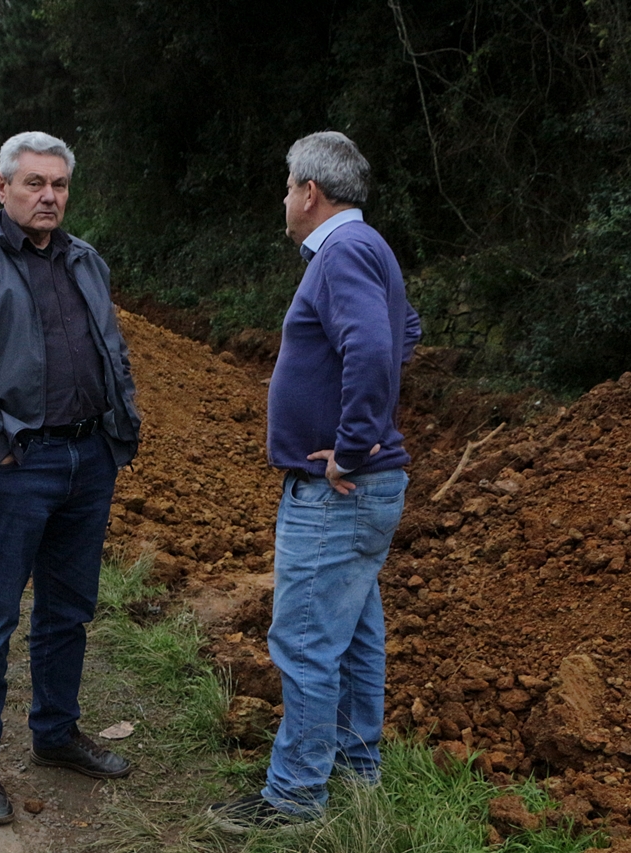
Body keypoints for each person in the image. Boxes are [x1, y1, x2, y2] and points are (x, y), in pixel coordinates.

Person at [0, 131, 141, 826]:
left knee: (69, 610)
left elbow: (112, 348)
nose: (49, 197)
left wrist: (118, 429)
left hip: (87, 459)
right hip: (17, 465)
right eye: (35, 183)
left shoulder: (85, 261)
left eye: (60, 185)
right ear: (3, 187)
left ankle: (55, 732)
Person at [209, 131, 421, 832]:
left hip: (337, 491)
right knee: (354, 635)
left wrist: (352, 443)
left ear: (310, 192)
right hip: (361, 492)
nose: (284, 198)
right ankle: (357, 774)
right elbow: (403, 330)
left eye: (287, 186)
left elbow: (376, 343)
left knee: (303, 640)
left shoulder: (343, 251)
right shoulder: (367, 249)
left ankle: (296, 797)